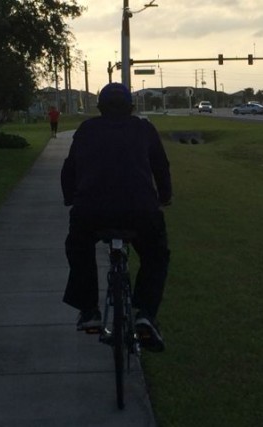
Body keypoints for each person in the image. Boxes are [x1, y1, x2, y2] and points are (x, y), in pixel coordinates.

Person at [60, 82, 172, 352]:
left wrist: (70, 198)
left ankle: (89, 310)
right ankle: (145, 313)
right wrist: (165, 197)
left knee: (79, 248)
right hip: (140, 211)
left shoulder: (87, 130)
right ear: (131, 107)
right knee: (156, 254)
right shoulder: (144, 129)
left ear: (99, 108)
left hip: (91, 212)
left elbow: (69, 169)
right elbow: (161, 166)